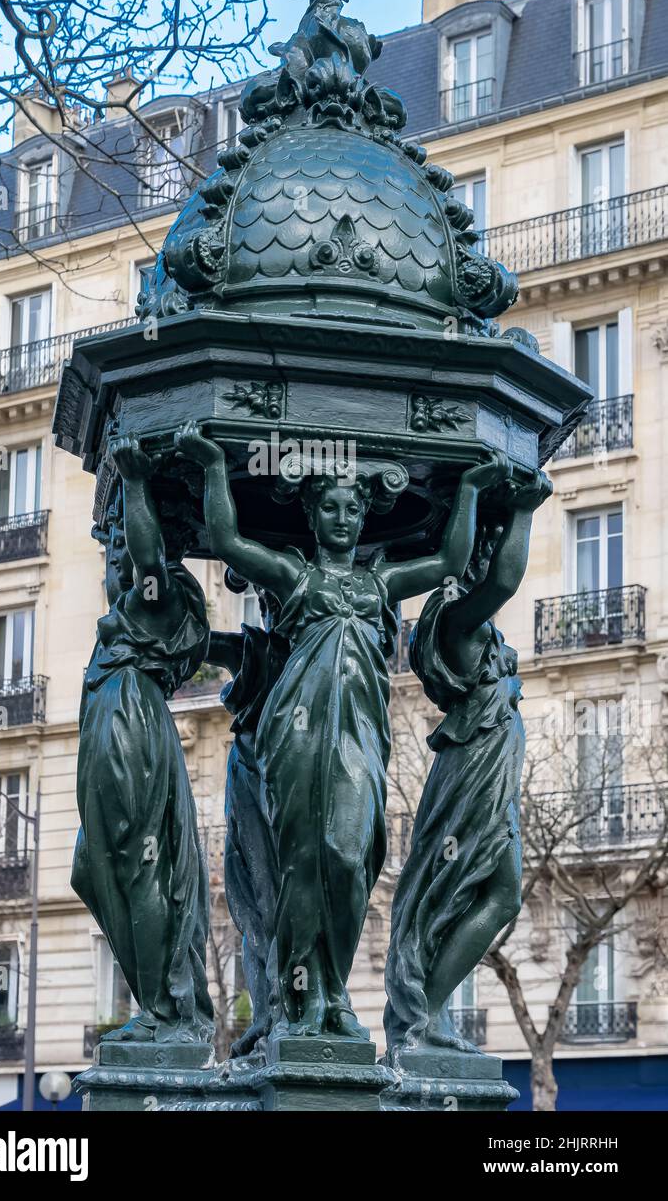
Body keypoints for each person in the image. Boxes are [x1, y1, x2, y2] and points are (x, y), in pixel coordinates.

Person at [176, 419, 510, 1040]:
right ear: (313, 512)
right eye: (327, 505)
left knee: (352, 857)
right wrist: (213, 466)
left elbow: (450, 560)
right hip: (298, 739)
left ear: (362, 515)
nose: (340, 517)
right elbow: (225, 538)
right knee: (306, 859)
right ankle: (305, 1000)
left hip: (359, 739)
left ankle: (334, 989)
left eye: (351, 507)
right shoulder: (295, 577)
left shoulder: (378, 583)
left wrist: (471, 488)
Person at [384, 468, 552, 1059]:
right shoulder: (456, 624)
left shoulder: (480, 636)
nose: (489, 557)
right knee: (485, 891)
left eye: (491, 546)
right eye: (481, 546)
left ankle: (425, 1016)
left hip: (492, 775)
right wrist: (523, 510)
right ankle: (421, 1019)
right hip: (473, 773)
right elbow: (504, 583)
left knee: (497, 894)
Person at [71, 434, 214, 1045]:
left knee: (137, 865)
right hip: (105, 721)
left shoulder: (161, 599)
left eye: (122, 549)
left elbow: (151, 569)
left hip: (131, 717)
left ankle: (161, 1010)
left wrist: (134, 485)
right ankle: (155, 1002)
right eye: (110, 554)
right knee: (89, 869)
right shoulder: (121, 619)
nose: (116, 564)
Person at [206, 582, 289, 1057]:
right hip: (253, 770)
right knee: (257, 910)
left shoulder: (325, 642)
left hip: (286, 774)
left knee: (274, 907)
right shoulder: (256, 647)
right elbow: (200, 641)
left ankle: (282, 1011)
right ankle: (267, 1015)